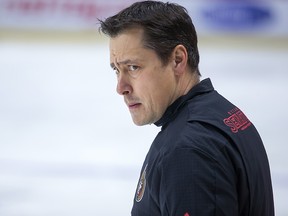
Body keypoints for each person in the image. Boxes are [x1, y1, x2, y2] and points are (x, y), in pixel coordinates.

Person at [98, 1, 274, 215]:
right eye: (116, 70)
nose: (121, 87)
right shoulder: (222, 112)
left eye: (133, 67)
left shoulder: (187, 151)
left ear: (178, 60)